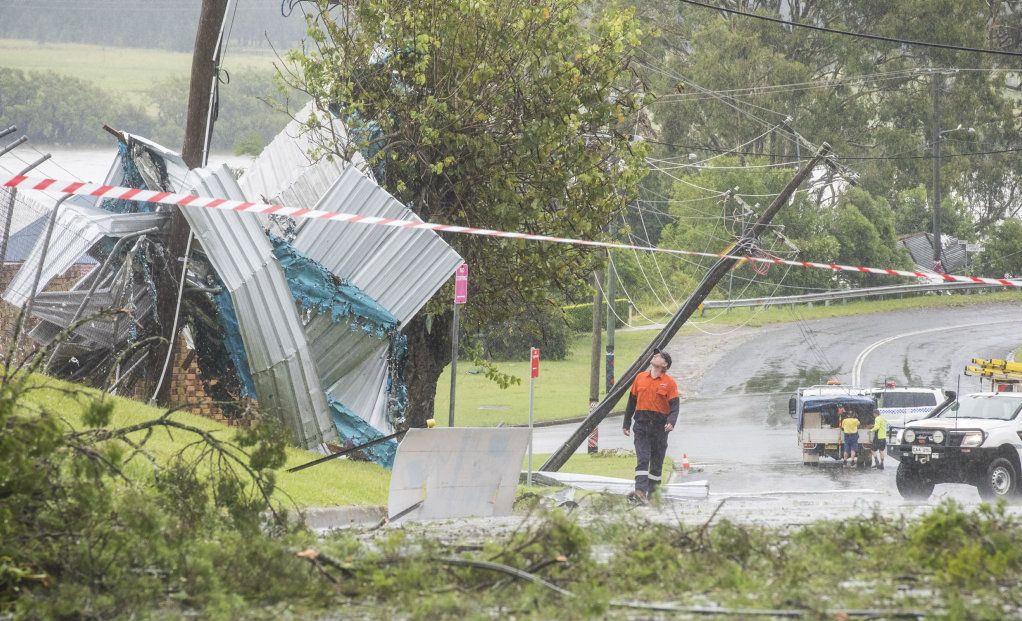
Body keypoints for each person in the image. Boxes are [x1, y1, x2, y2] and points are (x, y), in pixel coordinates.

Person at [623, 349, 680, 503]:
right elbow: (631, 402)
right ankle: (640, 492)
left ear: (665, 364)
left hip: (660, 428)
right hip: (641, 425)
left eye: (659, 356)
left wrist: (671, 422)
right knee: (643, 459)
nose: (655, 356)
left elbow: (675, 407)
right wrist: (626, 422)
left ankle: (654, 495)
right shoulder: (640, 378)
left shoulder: (669, 383)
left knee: (656, 463)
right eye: (655, 355)